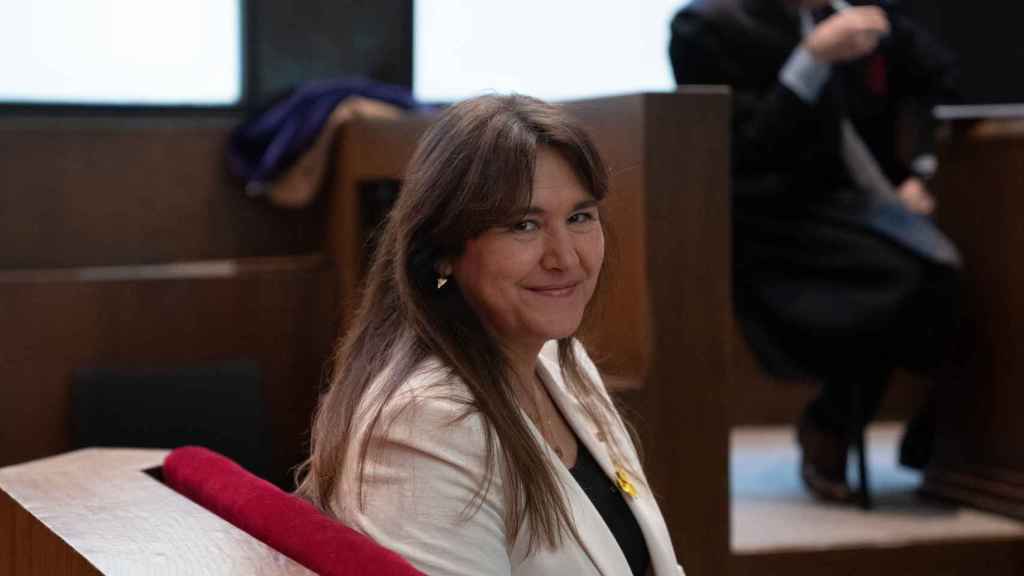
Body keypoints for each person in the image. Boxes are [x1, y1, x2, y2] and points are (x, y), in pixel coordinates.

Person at [295, 94, 684, 575]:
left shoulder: (564, 362)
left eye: (580, 218)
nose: (565, 257)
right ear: (443, 252)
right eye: (524, 225)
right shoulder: (424, 423)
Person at [669, 0, 961, 503]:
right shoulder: (705, 25)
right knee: (909, 276)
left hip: (851, 208)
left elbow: (942, 75)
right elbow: (743, 153)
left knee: (947, 275)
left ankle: (934, 442)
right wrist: (810, 58)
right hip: (772, 223)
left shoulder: (842, 14)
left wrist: (918, 168)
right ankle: (832, 426)